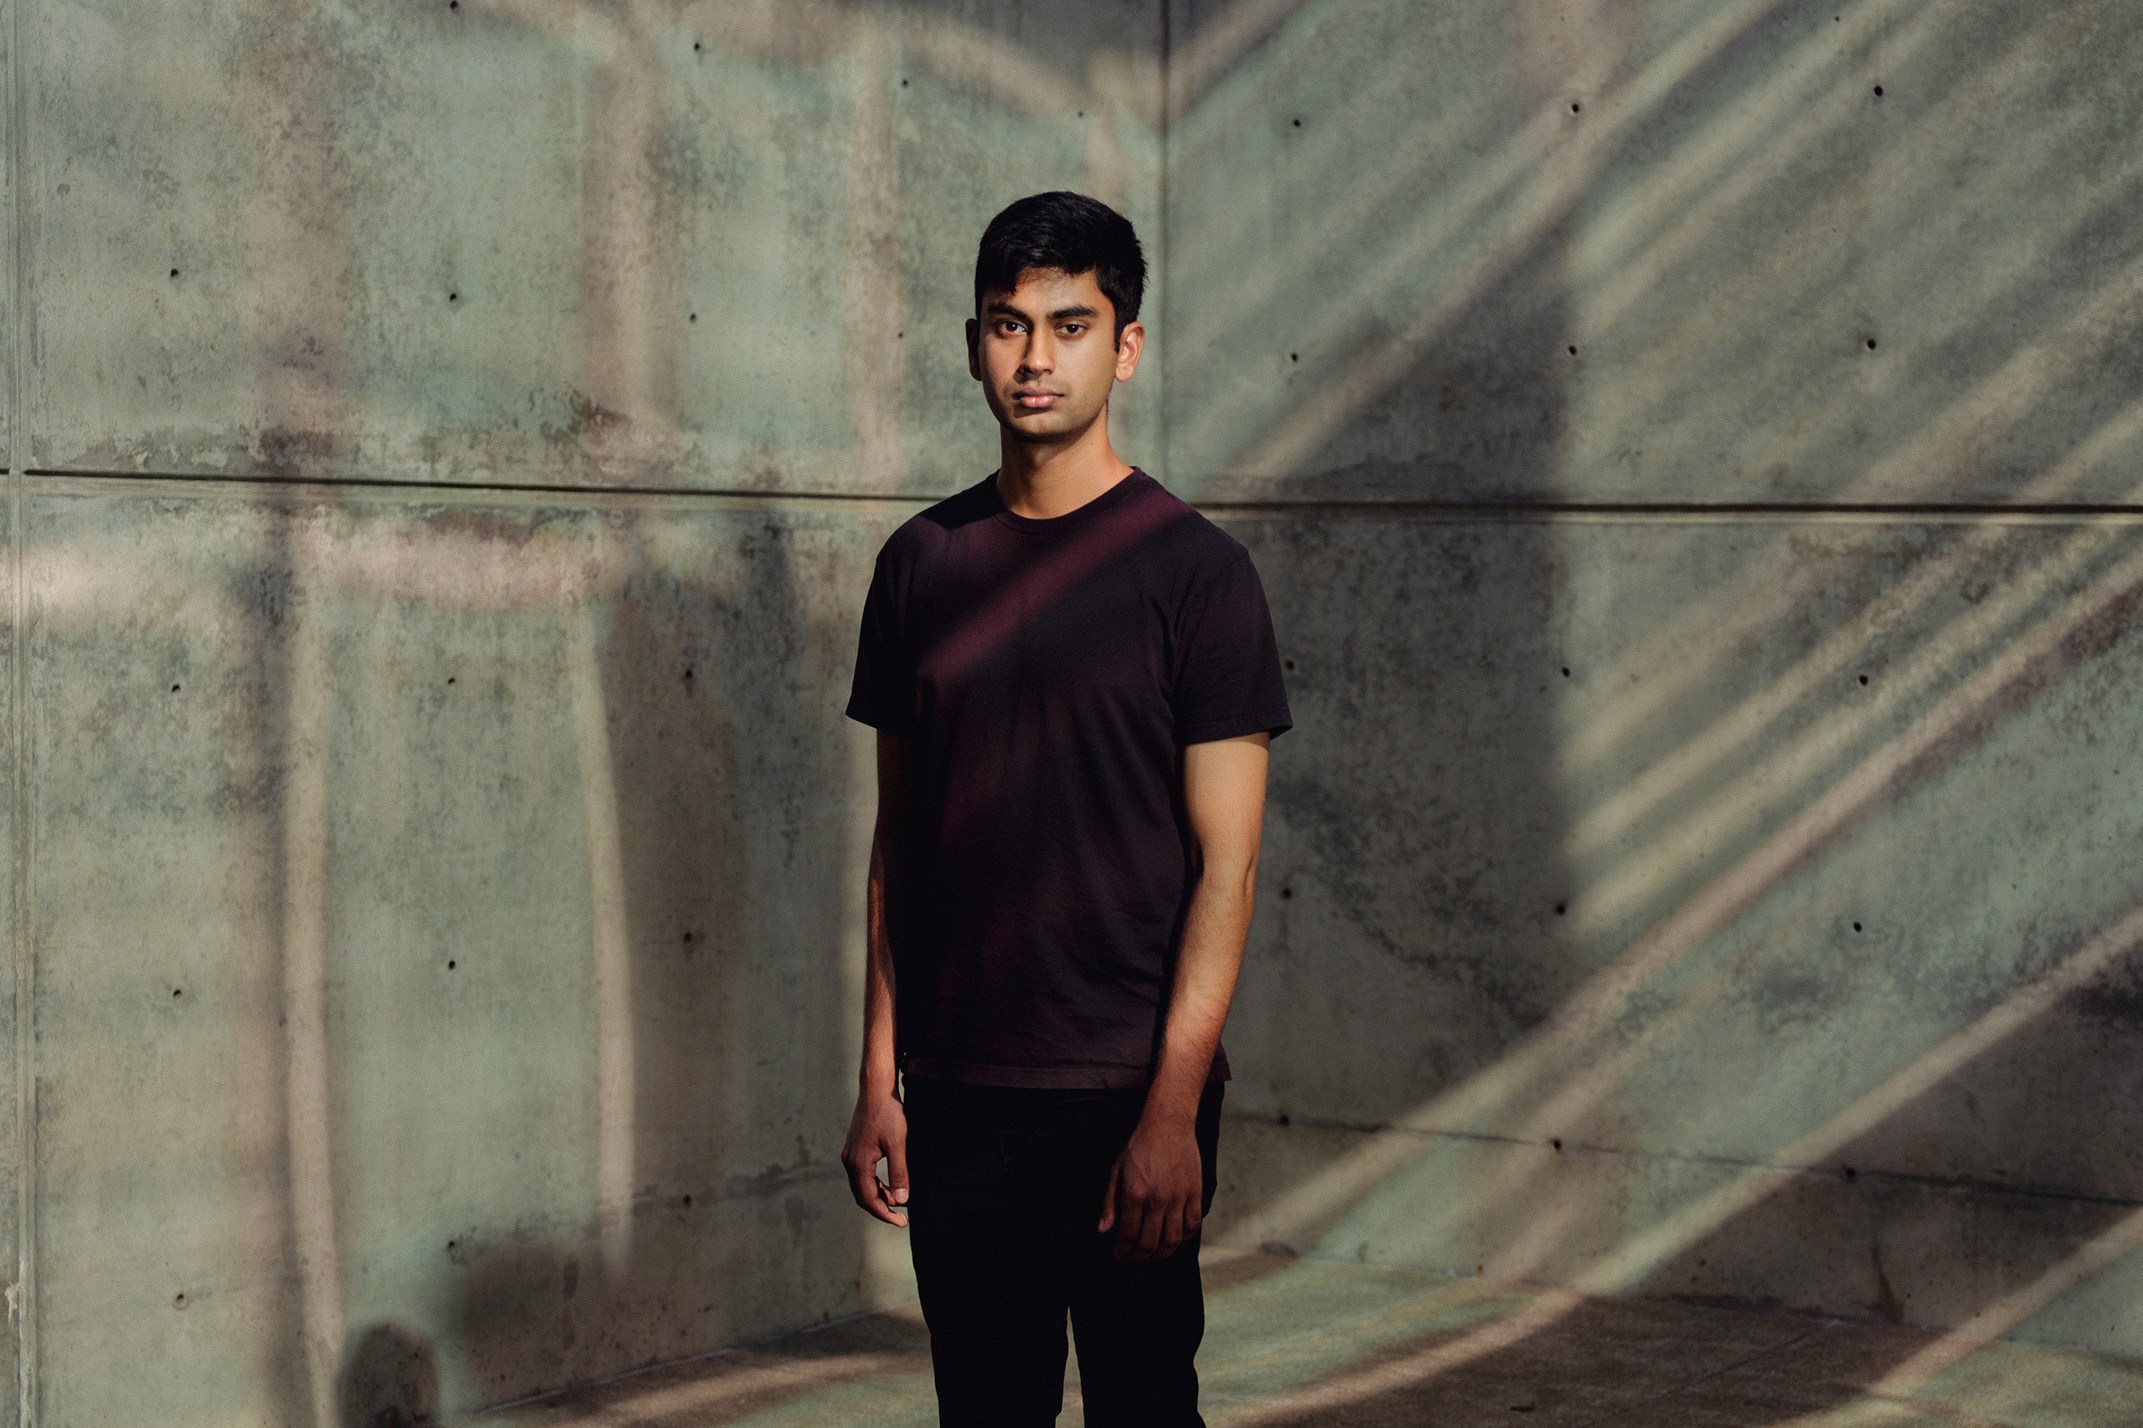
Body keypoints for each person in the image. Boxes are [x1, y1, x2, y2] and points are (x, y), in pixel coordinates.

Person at [840, 190, 1292, 1427]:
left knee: (1146, 1407)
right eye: (1006, 325)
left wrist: (1170, 1114)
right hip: (959, 1090)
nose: (1033, 358)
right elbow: (900, 855)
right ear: (973, 338)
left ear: (1125, 345)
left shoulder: (1198, 577)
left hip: (1120, 1095)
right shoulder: (919, 568)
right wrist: (881, 1075)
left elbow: (1227, 871)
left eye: (1068, 324)